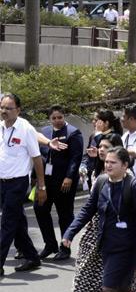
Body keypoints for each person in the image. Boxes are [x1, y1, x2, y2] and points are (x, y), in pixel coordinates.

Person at [57, 134, 136, 292]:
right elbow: (87, 209)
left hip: (127, 244)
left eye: (108, 152)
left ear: (124, 163)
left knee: (123, 284)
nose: (102, 153)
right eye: (102, 152)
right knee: (90, 276)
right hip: (101, 236)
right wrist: (70, 233)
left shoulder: (133, 186)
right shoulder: (100, 179)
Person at [0, 94, 47, 276]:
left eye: (8, 108)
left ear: (18, 110)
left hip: (17, 182)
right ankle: (32, 257)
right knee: (17, 220)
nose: (4, 111)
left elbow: (37, 158)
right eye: (2, 107)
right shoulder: (1, 127)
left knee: (7, 223)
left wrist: (41, 187)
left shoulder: (25, 128)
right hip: (2, 182)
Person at [34, 105, 83, 261]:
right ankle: (50, 245)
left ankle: (65, 247)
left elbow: (75, 158)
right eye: (54, 118)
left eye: (60, 117)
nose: (57, 121)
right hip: (46, 179)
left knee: (64, 214)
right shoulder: (45, 132)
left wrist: (69, 177)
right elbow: (38, 155)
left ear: (64, 116)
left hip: (64, 180)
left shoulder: (73, 133)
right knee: (40, 208)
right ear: (50, 118)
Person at [84, 110, 124, 187]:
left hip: (109, 172)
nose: (94, 122)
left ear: (106, 123)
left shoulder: (113, 136)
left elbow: (118, 155)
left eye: (97, 120)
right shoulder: (95, 135)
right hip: (96, 171)